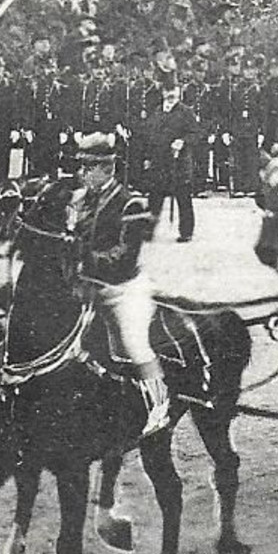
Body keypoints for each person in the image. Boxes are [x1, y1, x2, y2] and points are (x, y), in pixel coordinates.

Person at [72, 132, 169, 434]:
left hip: (123, 288)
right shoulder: (80, 200)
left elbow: (125, 255)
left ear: (107, 169)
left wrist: (85, 259)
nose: (83, 173)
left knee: (134, 342)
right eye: (83, 167)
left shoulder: (131, 204)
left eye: (89, 167)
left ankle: (158, 405)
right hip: (88, 284)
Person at [139, 79, 201, 243]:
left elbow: (195, 134)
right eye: (167, 90)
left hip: (179, 163)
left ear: (180, 92)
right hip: (159, 162)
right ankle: (148, 229)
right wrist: (147, 157)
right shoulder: (157, 112)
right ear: (162, 93)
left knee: (183, 197)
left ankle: (186, 231)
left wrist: (183, 141)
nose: (171, 94)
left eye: (174, 90)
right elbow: (149, 137)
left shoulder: (186, 112)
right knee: (155, 197)